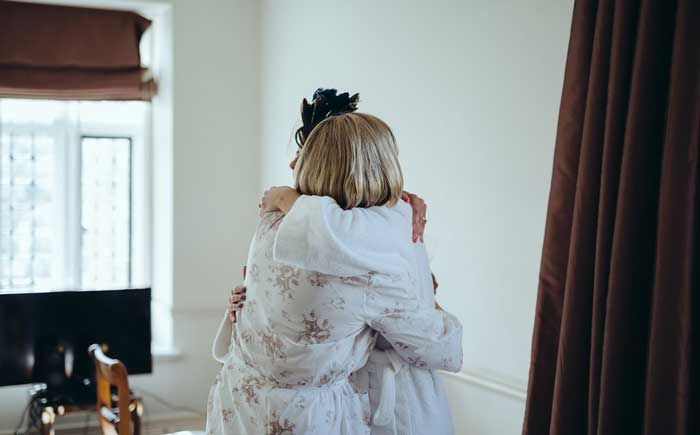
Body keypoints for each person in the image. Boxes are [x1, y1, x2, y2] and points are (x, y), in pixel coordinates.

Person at [207, 95, 462, 435]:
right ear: (379, 167)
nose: (293, 164)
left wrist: (287, 197)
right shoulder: (371, 256)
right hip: (308, 418)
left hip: (239, 398)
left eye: (304, 153)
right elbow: (440, 349)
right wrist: (433, 305)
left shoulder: (274, 221)